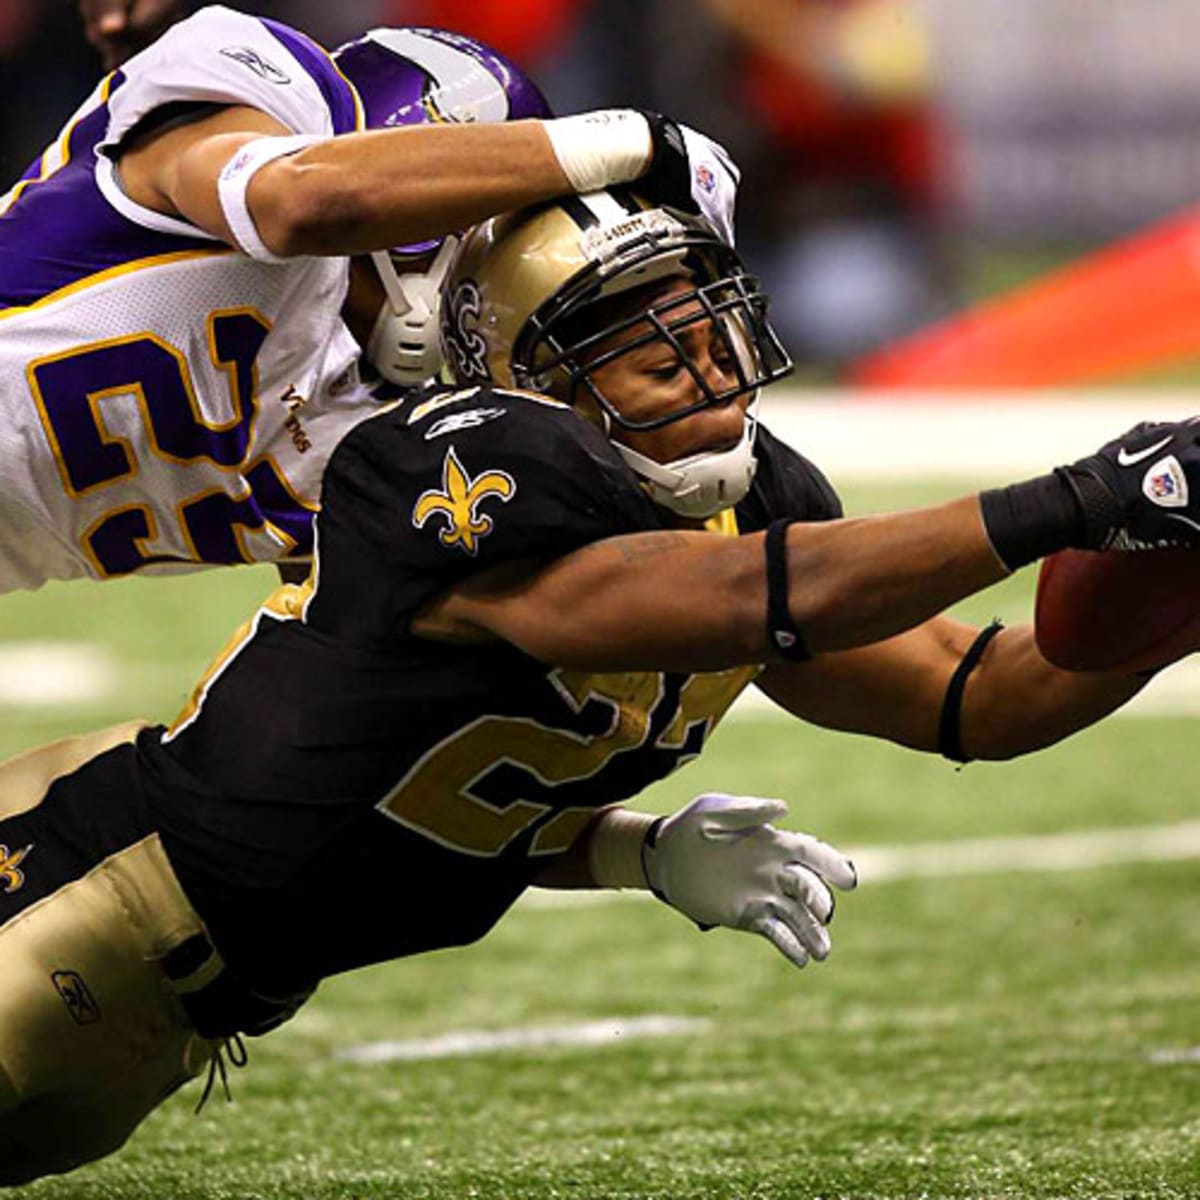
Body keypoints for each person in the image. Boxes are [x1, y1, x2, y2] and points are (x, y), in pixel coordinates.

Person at [1, 189, 1197, 1186]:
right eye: (640, 341)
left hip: (193, 1014)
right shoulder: (450, 464)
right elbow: (728, 601)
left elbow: (975, 695)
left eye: (709, 322)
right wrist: (1082, 499)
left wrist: (1171, 590)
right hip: (78, 886)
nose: (703, 362)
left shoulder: (758, 505)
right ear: (534, 372)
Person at [0, 3, 737, 592]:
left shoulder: (380, 427)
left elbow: (350, 668)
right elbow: (295, 201)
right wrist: (635, 141)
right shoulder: (259, 86)